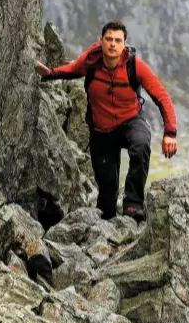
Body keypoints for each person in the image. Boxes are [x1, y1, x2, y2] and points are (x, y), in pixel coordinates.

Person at [36, 20, 177, 223]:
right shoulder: (91, 61)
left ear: (124, 44)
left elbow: (162, 96)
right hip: (101, 131)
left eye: (117, 40)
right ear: (100, 40)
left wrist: (170, 133)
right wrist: (49, 74)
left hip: (130, 121)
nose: (112, 44)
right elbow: (71, 70)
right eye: (108, 39)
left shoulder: (134, 65)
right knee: (106, 195)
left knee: (141, 144)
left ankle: (133, 204)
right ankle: (107, 221)